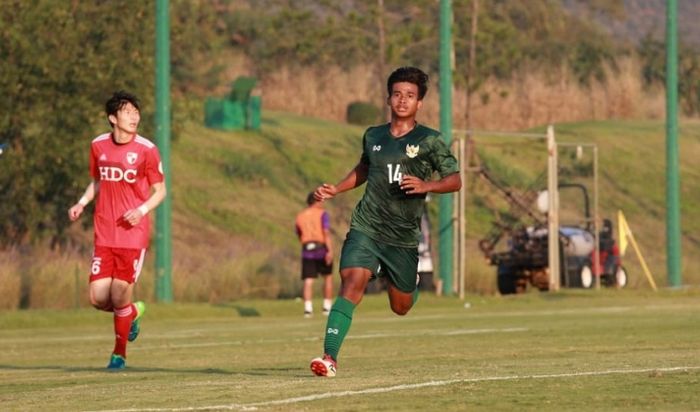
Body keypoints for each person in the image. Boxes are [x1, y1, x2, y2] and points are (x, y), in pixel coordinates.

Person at [309, 67, 461, 377]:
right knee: (352, 281)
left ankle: (408, 282)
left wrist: (426, 185)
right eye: (397, 94)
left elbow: (455, 180)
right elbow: (364, 169)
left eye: (410, 96)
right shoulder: (373, 135)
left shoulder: (429, 140)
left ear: (419, 103)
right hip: (367, 226)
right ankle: (329, 357)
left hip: (402, 237)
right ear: (388, 98)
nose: (402, 100)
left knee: (400, 306)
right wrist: (336, 188)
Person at [68, 91, 166, 370]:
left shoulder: (147, 149)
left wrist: (141, 210)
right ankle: (133, 312)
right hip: (104, 232)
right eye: (127, 111)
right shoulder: (98, 145)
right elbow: (97, 180)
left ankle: (118, 354)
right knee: (98, 298)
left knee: (120, 292)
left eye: (136, 111)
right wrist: (82, 203)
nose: (134, 116)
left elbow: (161, 190)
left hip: (132, 235)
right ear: (113, 118)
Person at [295, 192, 334, 317]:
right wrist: (330, 250)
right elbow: (326, 232)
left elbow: (299, 233)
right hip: (321, 248)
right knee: (327, 277)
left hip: (307, 249)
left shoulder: (300, 216)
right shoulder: (322, 214)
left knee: (308, 280)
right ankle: (327, 307)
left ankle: (308, 309)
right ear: (316, 201)